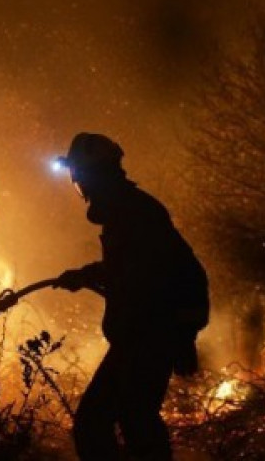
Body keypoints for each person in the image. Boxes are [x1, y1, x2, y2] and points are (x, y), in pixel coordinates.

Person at [52, 132, 209, 460]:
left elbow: (183, 274)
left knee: (100, 424)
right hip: (140, 339)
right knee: (133, 422)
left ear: (96, 175)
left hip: (148, 339)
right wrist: (85, 276)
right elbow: (129, 267)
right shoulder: (126, 213)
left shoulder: (136, 214)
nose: (78, 183)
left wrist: (183, 337)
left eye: (80, 175)